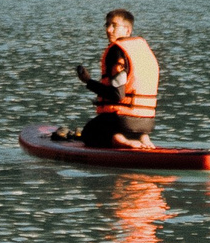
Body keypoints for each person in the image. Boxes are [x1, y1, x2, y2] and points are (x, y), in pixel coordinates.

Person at [56, 8, 160, 148]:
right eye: (107, 25)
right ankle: (143, 138)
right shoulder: (143, 51)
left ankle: (121, 140)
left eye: (114, 26)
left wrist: (88, 81)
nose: (109, 30)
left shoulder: (116, 51)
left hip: (123, 120)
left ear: (127, 31)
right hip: (147, 122)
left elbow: (117, 95)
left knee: (88, 133)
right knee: (124, 124)